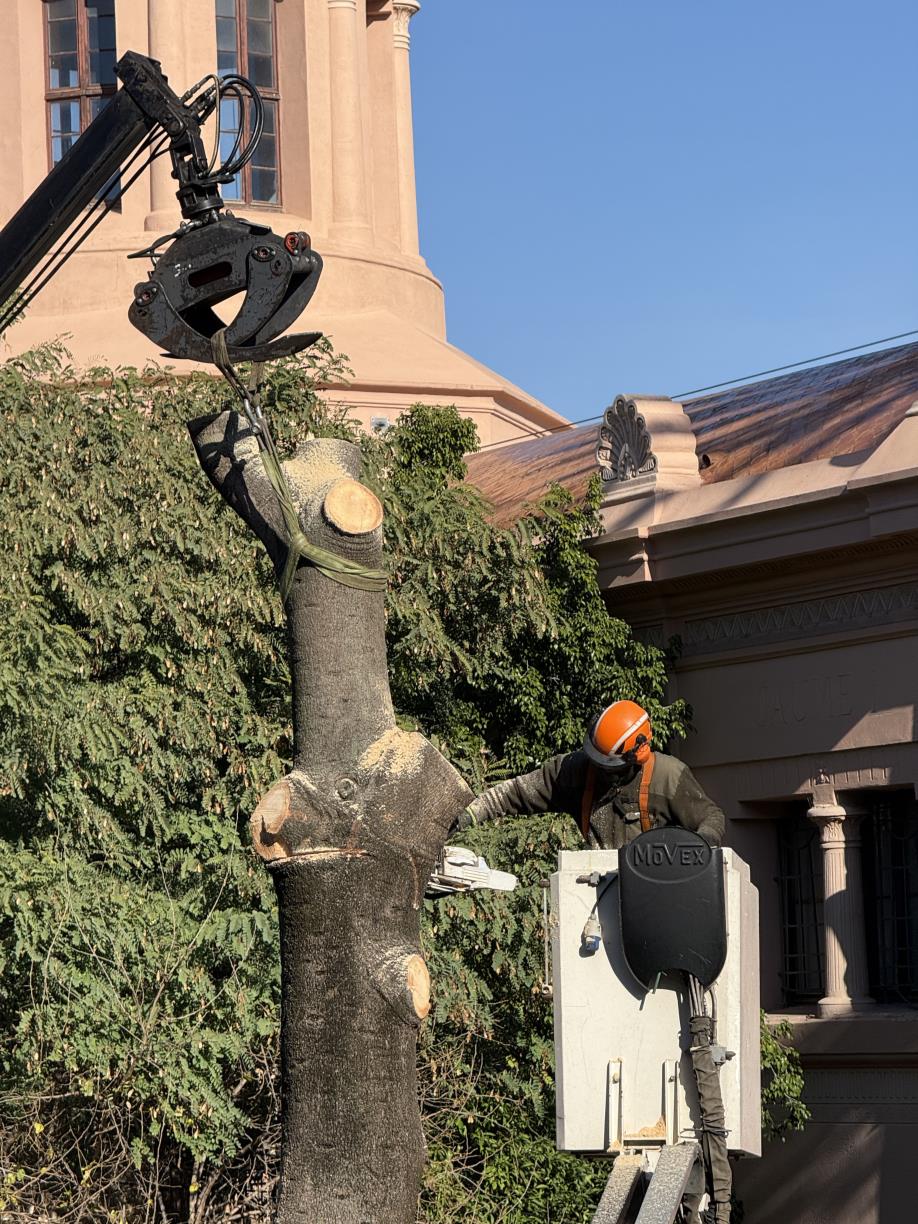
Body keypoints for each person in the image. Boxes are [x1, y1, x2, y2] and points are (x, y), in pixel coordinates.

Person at [456, 699, 725, 849]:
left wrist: (699, 845)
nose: (599, 769)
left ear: (637, 755)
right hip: (596, 889)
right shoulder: (575, 770)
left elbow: (711, 817)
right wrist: (470, 813)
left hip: (656, 889)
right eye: (596, 760)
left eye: (609, 766)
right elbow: (516, 793)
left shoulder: (667, 775)